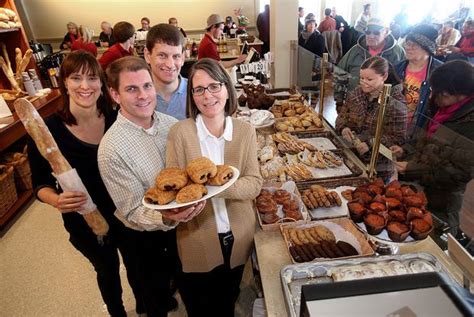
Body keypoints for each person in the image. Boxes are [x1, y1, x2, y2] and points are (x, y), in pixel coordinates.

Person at [27, 51, 145, 317]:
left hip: (126, 211)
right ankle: (117, 312)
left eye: (92, 78)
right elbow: (39, 183)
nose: (85, 86)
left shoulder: (118, 118)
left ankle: (145, 304)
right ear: (64, 83)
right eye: (76, 78)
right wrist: (56, 199)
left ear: (102, 83)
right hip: (85, 220)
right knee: (107, 269)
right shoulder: (49, 131)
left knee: (136, 263)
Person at [98, 56, 205, 316]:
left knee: (192, 292)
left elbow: (189, 174)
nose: (143, 95)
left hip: (183, 232)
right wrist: (168, 215)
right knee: (155, 301)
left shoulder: (171, 125)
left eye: (147, 86)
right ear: (114, 94)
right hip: (143, 242)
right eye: (131, 89)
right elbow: (133, 210)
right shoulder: (110, 150)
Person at [165, 58, 262, 317]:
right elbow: (176, 189)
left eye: (214, 86)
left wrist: (214, 187)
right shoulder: (180, 133)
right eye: (199, 89)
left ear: (227, 88)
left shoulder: (245, 131)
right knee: (199, 306)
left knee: (227, 300)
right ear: (192, 96)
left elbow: (254, 183)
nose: (207, 96)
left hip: (238, 234)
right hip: (195, 236)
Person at [392, 60, 474, 236]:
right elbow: (425, 136)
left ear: (461, 94)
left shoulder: (469, 123)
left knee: (432, 234)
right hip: (419, 185)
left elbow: (459, 172)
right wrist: (405, 149)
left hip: (442, 197)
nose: (434, 97)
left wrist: (413, 168)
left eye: (442, 93)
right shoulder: (441, 105)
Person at [336, 56, 407, 180]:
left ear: (384, 77)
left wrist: (370, 143)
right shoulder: (357, 93)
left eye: (369, 79)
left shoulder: (396, 102)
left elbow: (397, 136)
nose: (364, 83)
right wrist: (344, 128)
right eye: (361, 78)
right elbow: (342, 116)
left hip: (378, 166)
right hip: (351, 156)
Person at [334, 18, 405, 107]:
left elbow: (401, 82)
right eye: (368, 32)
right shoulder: (355, 50)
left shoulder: (398, 53)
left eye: (376, 32)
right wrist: (339, 100)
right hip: (354, 104)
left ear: (386, 32)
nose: (371, 36)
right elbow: (339, 73)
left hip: (382, 108)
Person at [395, 24, 443, 139]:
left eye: (414, 45)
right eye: (407, 43)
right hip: (394, 127)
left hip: (420, 132)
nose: (408, 47)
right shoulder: (397, 68)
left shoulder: (440, 73)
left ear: (427, 49)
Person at [144, 23, 187, 120]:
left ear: (183, 57)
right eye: (162, 55)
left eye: (176, 56)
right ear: (147, 55)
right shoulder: (138, 97)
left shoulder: (197, 93)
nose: (170, 64)